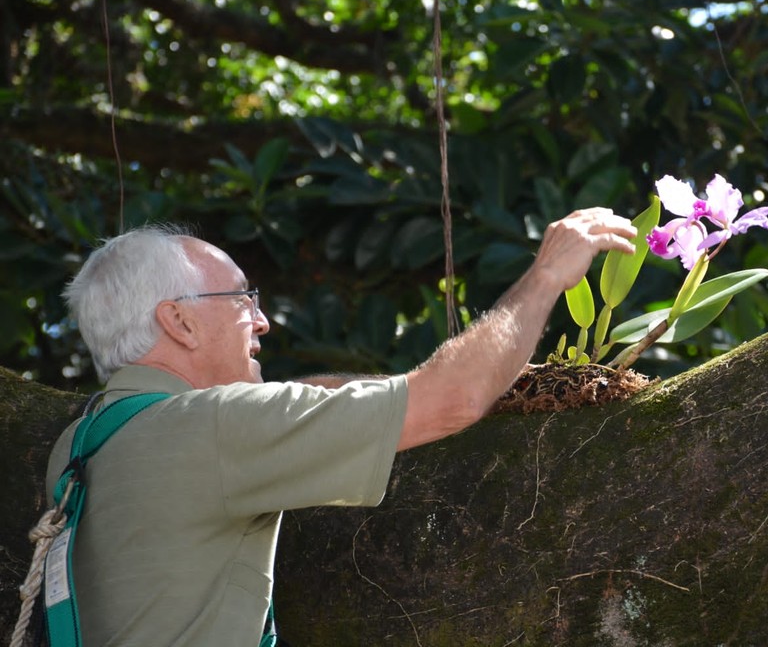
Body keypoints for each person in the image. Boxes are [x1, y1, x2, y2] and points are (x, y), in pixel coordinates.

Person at [44, 207, 636, 645]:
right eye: (242, 298)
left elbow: (297, 402)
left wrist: (394, 393)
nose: (263, 320)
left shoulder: (83, 443)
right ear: (179, 322)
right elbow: (453, 399)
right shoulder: (219, 429)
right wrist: (545, 277)